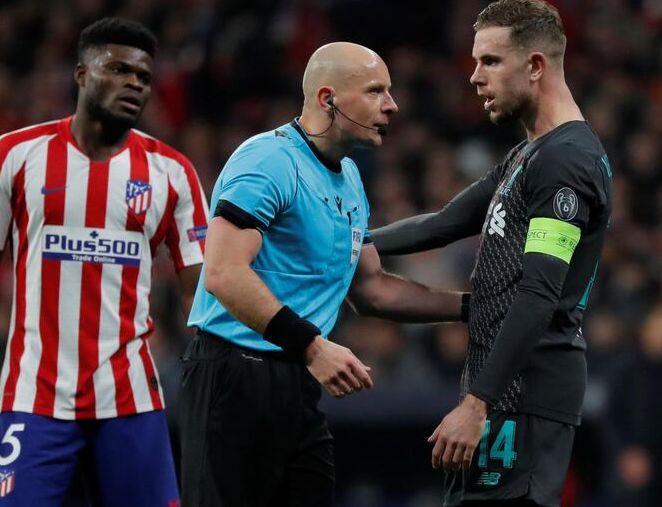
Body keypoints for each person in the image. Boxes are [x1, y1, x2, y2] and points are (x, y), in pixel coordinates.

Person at [178, 42, 468, 507]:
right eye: (375, 91)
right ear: (328, 98)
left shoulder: (350, 176)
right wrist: (312, 346)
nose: (392, 105)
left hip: (297, 382)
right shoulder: (268, 160)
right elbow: (222, 272)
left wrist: (473, 306)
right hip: (233, 377)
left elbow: (373, 290)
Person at [0, 17, 208, 506]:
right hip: (34, 401)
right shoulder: (14, 154)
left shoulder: (174, 173)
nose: (134, 83)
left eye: (144, 77)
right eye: (119, 69)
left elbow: (203, 294)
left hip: (131, 401)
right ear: (82, 74)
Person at [371, 0, 613, 506]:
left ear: (535, 66)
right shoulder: (529, 154)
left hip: (525, 395)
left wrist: (477, 404)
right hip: (504, 392)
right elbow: (441, 224)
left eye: (490, 61)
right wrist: (347, 244)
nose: (475, 76)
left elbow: (539, 294)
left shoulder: (567, 162)